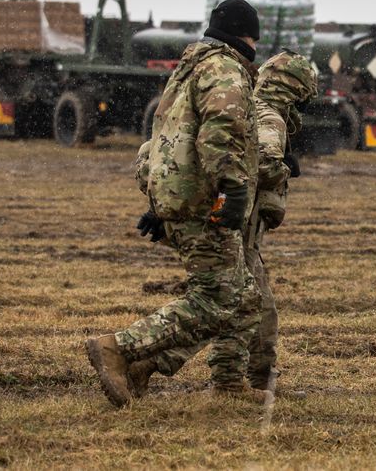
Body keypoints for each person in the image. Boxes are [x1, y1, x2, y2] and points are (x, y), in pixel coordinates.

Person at [85, 0, 263, 407]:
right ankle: (120, 348)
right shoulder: (224, 69)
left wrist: (158, 200)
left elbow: (162, 140)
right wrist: (232, 188)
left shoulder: (188, 69)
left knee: (244, 297)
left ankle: (208, 378)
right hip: (204, 202)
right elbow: (221, 131)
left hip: (181, 197)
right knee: (214, 300)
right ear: (248, 35)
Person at [127, 51, 318, 397]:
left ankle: (239, 380)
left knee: (238, 306)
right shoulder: (268, 116)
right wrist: (282, 167)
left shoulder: (233, 99)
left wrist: (160, 207)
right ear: (295, 91)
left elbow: (158, 151)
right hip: (235, 224)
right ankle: (150, 361)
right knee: (238, 305)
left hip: (220, 218)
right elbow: (255, 164)